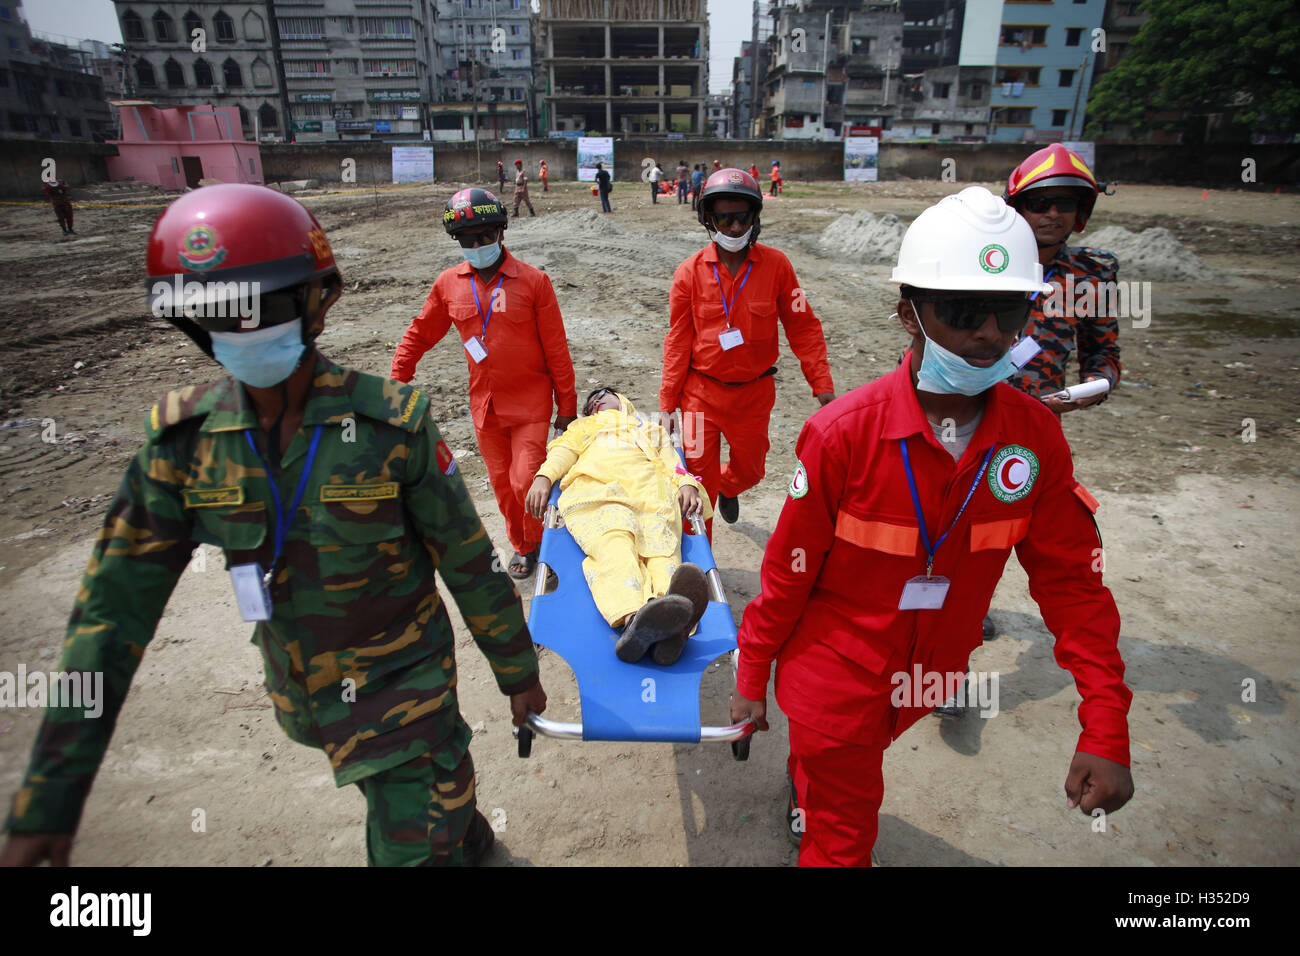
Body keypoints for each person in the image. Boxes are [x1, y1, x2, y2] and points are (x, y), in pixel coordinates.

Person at [0, 183, 548, 868]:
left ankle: (451, 834)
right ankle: (462, 829)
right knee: (430, 806)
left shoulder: (390, 426)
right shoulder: (185, 446)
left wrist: (516, 670)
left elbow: (468, 560)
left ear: (319, 300)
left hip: (408, 693)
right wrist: (52, 793)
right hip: (303, 693)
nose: (246, 327)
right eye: (220, 312)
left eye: (264, 305)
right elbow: (109, 618)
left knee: (414, 837)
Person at [729, 186, 1134, 866]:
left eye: (1009, 310)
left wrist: (1107, 725)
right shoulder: (841, 437)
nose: (989, 334)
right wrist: (751, 672)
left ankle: (812, 781)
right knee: (843, 838)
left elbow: (1073, 586)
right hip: (835, 685)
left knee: (836, 784)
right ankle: (820, 793)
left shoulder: (1034, 442)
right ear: (908, 314)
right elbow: (787, 572)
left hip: (925, 678)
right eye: (962, 310)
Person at [391, 188, 577, 580]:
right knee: (502, 487)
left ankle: (543, 543)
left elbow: (557, 349)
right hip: (485, 407)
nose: (477, 245)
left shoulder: (533, 283)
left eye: (485, 236)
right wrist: (398, 380)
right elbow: (420, 333)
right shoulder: (449, 285)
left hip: (530, 405)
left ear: (502, 233)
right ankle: (525, 545)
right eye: (467, 240)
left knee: (525, 478)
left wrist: (568, 408)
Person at [661, 168, 835, 539]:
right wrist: (667, 403)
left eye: (743, 217)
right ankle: (702, 573)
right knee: (697, 487)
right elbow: (677, 340)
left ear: (755, 218)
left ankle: (731, 485)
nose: (735, 226)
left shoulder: (778, 267)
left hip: (754, 395)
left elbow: (803, 325)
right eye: (725, 218)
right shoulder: (688, 273)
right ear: (710, 219)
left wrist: (822, 384)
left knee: (753, 469)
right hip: (699, 394)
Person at [525, 388, 713, 665]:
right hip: (600, 492)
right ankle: (634, 617)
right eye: (590, 402)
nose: (596, 400)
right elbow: (561, 453)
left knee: (662, 549)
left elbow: (671, 460)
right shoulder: (584, 427)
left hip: (651, 494)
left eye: (603, 393)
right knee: (615, 544)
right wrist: (543, 477)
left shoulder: (649, 428)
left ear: (624, 400)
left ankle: (671, 623)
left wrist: (687, 483)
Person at [1004, 143, 1120, 415]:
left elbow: (1104, 354)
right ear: (1018, 207)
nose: (1053, 214)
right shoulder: (983, 264)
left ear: (1079, 212)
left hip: (1036, 421)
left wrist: (1093, 387)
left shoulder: (1090, 277)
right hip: (967, 417)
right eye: (1039, 204)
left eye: (1064, 205)